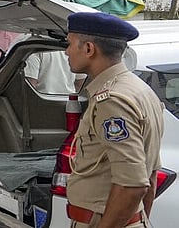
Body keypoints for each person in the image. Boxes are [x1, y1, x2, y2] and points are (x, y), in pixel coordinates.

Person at [65, 12, 163, 228]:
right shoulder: (141, 90)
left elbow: (133, 185)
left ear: (89, 49)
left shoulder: (112, 101)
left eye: (70, 44)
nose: (66, 51)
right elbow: (151, 175)